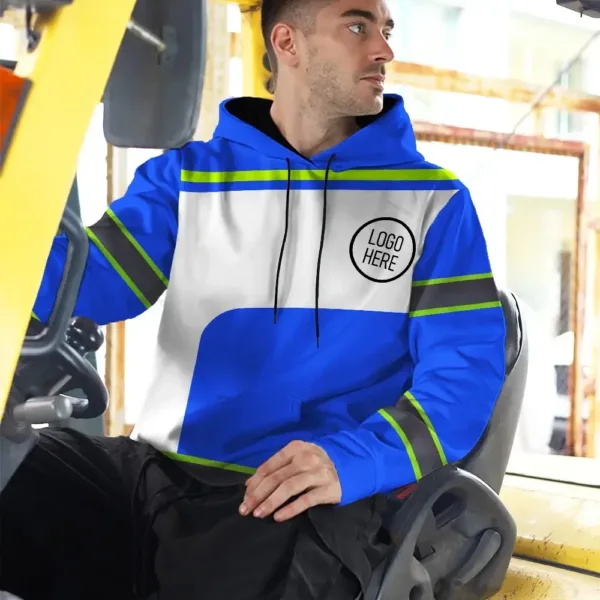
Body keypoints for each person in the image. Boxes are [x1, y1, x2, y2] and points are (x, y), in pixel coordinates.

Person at [0, 0, 506, 599]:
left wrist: (352, 460)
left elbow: (463, 379)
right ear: (287, 43)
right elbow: (86, 280)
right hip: (155, 475)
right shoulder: (189, 178)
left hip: (297, 493)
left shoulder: (434, 203)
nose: (384, 50)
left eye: (385, 29)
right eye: (357, 26)